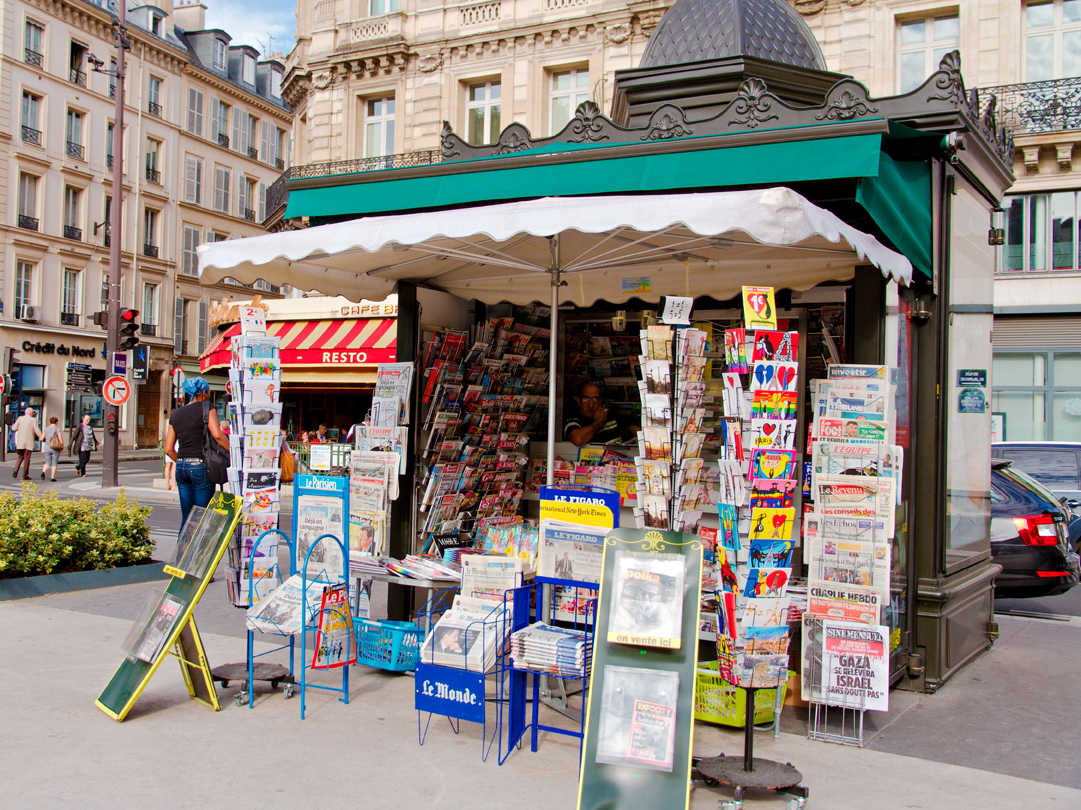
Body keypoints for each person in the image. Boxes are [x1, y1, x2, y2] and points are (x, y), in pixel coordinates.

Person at [165, 377, 229, 529]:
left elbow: (168, 449)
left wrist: (183, 461)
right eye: (208, 392)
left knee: (187, 517)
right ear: (203, 393)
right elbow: (218, 435)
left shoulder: (176, 414)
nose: (209, 395)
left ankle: (183, 545)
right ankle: (200, 546)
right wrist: (234, 451)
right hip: (200, 467)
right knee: (202, 517)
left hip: (181, 468)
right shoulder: (207, 407)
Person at [563, 382, 637, 447]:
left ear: (600, 402)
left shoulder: (606, 413)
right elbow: (577, 439)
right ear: (579, 401)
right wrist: (598, 423)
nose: (591, 405)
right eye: (586, 399)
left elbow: (630, 425)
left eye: (595, 399)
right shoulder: (574, 417)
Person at [12, 408, 43, 481]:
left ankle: (16, 469)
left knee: (20, 457)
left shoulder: (20, 419)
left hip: (20, 442)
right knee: (27, 459)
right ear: (31, 413)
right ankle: (25, 475)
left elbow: (14, 428)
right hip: (28, 443)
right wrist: (42, 437)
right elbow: (37, 430)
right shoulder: (33, 420)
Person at [41, 416, 63, 481]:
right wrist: (61, 446)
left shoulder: (46, 429)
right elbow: (60, 439)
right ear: (56, 422)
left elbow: (41, 438)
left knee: (48, 462)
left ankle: (43, 471)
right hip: (55, 447)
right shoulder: (57, 429)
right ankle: (52, 477)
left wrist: (46, 441)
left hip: (47, 447)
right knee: (54, 463)